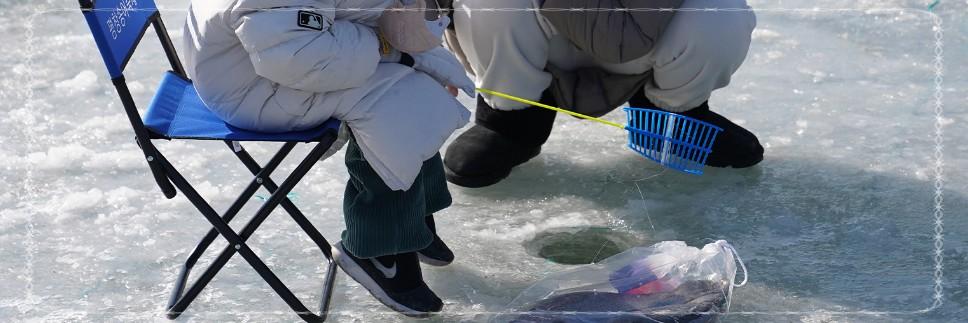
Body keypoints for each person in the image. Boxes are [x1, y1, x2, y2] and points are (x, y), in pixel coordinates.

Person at [182, 0, 472, 317]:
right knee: (398, 99)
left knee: (419, 82)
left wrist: (415, 42)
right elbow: (299, 60)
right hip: (255, 89)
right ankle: (380, 247)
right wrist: (386, 44)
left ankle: (411, 221)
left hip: (275, 64)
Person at [440, 0, 765, 187]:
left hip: (637, 41)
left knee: (719, 13)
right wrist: (426, 56)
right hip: (540, 36)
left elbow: (621, 41)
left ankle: (672, 112)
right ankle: (512, 119)